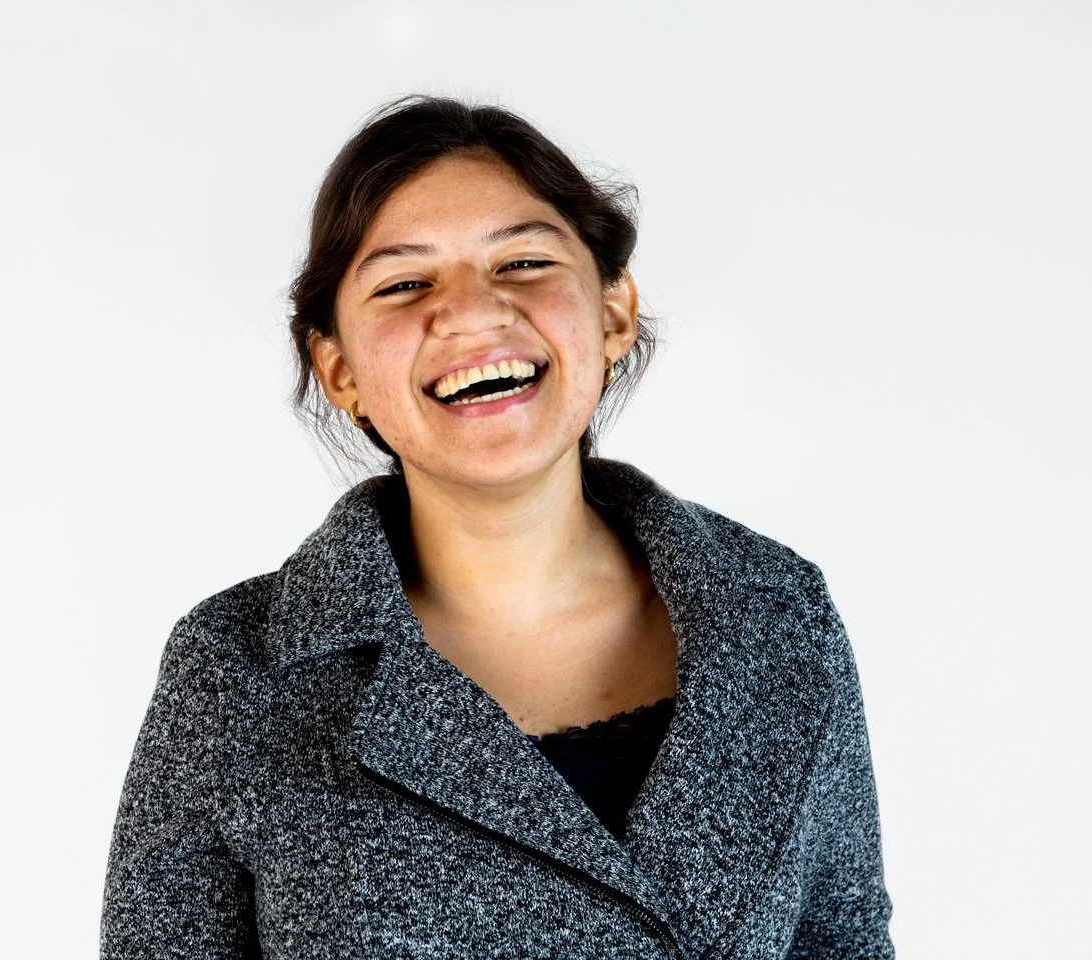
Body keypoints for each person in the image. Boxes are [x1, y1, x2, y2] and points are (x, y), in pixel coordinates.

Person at [100, 93, 895, 959]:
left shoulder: (776, 614)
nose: (472, 312)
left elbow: (842, 941)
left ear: (613, 312)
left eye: (521, 263)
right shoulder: (239, 672)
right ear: (339, 369)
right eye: (405, 283)